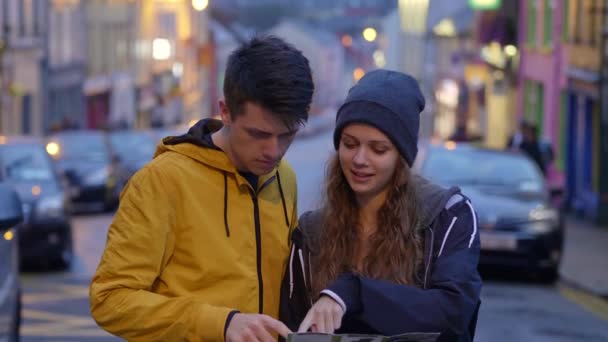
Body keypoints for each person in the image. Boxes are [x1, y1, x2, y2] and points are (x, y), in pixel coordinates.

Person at [90, 36, 314, 342]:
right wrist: (220, 324)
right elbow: (110, 299)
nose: (273, 151)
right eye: (258, 134)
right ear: (225, 111)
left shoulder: (283, 177)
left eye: (286, 136)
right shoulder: (161, 181)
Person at [280, 70, 482, 342]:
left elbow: (454, 312)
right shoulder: (312, 231)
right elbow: (293, 327)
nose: (360, 159)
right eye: (349, 144)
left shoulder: (448, 216)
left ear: (402, 156)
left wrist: (353, 292)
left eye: (378, 149)